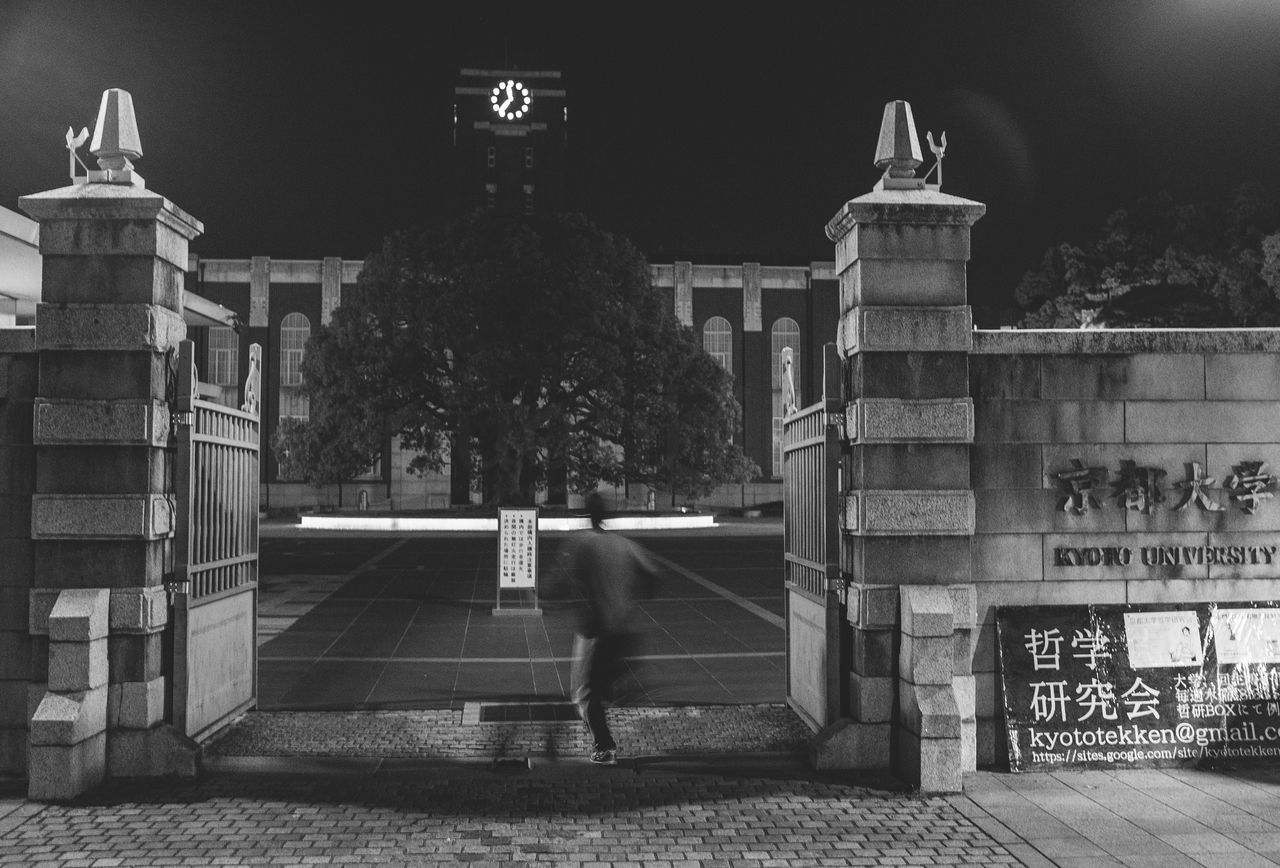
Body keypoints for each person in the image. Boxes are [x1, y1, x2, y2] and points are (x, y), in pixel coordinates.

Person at [554, 492, 658, 766]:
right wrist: (631, 596)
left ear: (586, 513)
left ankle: (605, 746)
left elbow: (561, 581)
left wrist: (544, 594)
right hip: (623, 628)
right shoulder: (623, 544)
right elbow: (654, 577)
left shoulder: (581, 544)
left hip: (594, 629)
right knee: (603, 683)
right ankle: (617, 687)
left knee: (584, 694)